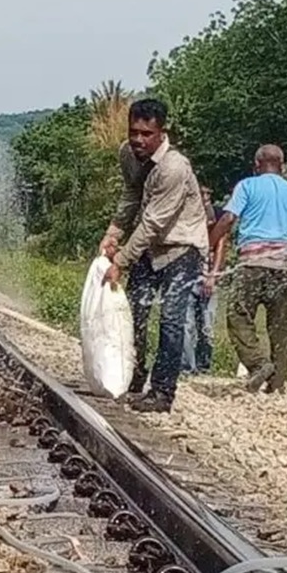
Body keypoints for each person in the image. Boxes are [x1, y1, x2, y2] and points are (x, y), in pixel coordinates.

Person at [99, 98, 209, 413]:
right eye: (134, 132)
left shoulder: (175, 167)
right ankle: (131, 379)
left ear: (162, 132)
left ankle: (162, 392)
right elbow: (131, 194)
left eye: (147, 134)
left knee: (172, 320)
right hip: (149, 246)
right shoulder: (128, 154)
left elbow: (153, 222)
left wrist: (120, 261)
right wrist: (113, 233)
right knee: (132, 312)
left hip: (181, 246)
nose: (139, 140)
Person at [209, 144, 287, 393]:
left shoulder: (247, 186)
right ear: (282, 165)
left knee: (237, 314)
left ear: (256, 165)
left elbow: (228, 218)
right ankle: (276, 386)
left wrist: (209, 245)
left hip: (253, 264)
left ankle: (258, 365)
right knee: (282, 326)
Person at [181, 186, 222, 374]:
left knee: (207, 325)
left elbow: (221, 247)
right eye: (202, 195)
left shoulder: (216, 220)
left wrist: (213, 275)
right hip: (188, 279)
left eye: (207, 195)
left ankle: (204, 366)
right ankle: (187, 367)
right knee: (187, 325)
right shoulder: (187, 218)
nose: (205, 198)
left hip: (208, 278)